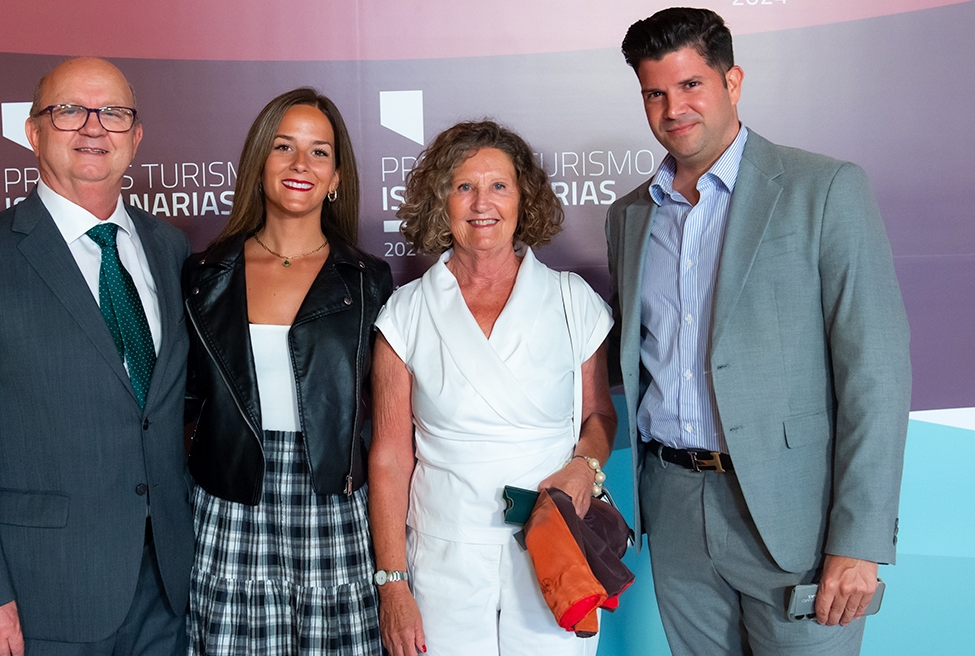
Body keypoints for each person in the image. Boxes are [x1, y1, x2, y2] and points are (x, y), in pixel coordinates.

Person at [606, 8, 911, 655]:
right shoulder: (630, 216)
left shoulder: (823, 189)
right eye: (655, 92)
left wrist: (856, 542)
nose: (673, 107)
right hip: (674, 508)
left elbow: (876, 372)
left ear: (732, 81)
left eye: (691, 85)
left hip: (792, 519)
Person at [0, 57, 194, 656]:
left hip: (170, 587)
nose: (94, 127)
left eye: (113, 113)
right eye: (69, 111)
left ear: (136, 137)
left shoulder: (169, 247)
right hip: (40, 596)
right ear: (32, 132)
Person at [369, 120, 617, 656]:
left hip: (554, 552)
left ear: (523, 198)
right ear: (442, 201)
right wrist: (393, 584)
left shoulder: (573, 300)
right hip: (442, 557)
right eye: (464, 186)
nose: (483, 203)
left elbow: (599, 417)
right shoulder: (406, 311)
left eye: (499, 185)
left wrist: (586, 467)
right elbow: (390, 456)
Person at [182, 88, 393, 655]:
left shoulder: (371, 280)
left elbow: (391, 419)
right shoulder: (204, 274)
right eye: (284, 147)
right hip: (230, 500)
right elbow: (184, 405)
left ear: (337, 178)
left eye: (319, 152)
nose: (301, 165)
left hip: (333, 499)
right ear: (259, 164)